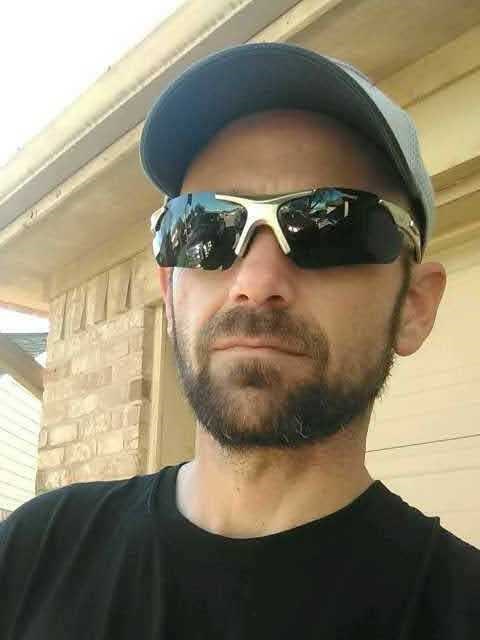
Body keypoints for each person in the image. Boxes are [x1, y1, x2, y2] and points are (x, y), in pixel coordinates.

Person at [1, 42, 479, 640]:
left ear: (414, 307)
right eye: (204, 225)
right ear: (170, 291)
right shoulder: (32, 555)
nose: (255, 283)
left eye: (329, 225)